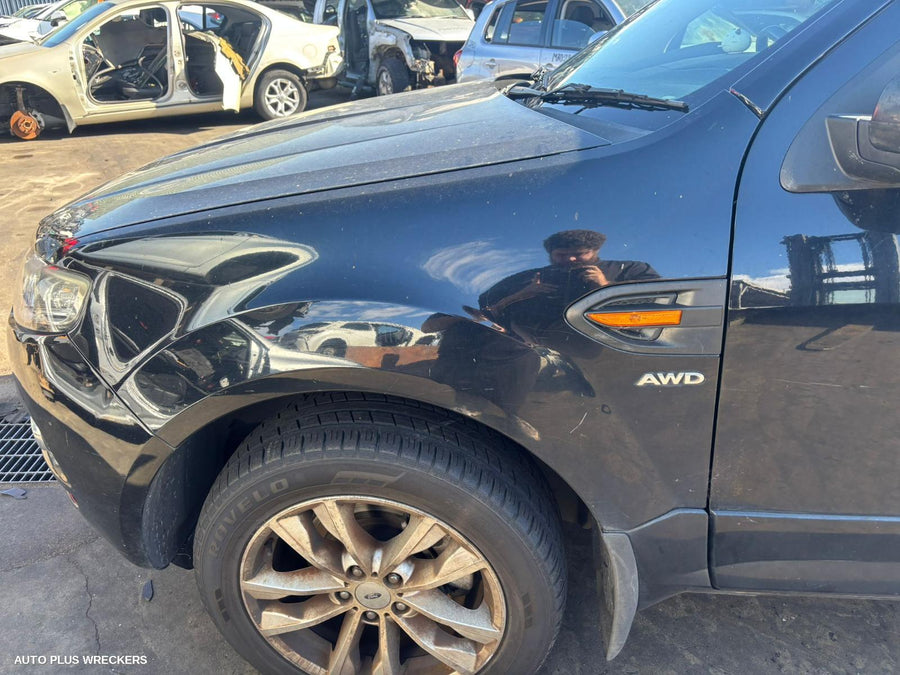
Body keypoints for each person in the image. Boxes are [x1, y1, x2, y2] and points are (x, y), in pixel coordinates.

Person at [478, 229, 659, 339]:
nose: (571, 259)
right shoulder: (532, 276)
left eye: (579, 253)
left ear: (595, 251)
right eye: (561, 255)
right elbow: (486, 308)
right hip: (538, 346)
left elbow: (658, 298)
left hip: (618, 342)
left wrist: (605, 286)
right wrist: (523, 294)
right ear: (551, 255)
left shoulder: (627, 269)